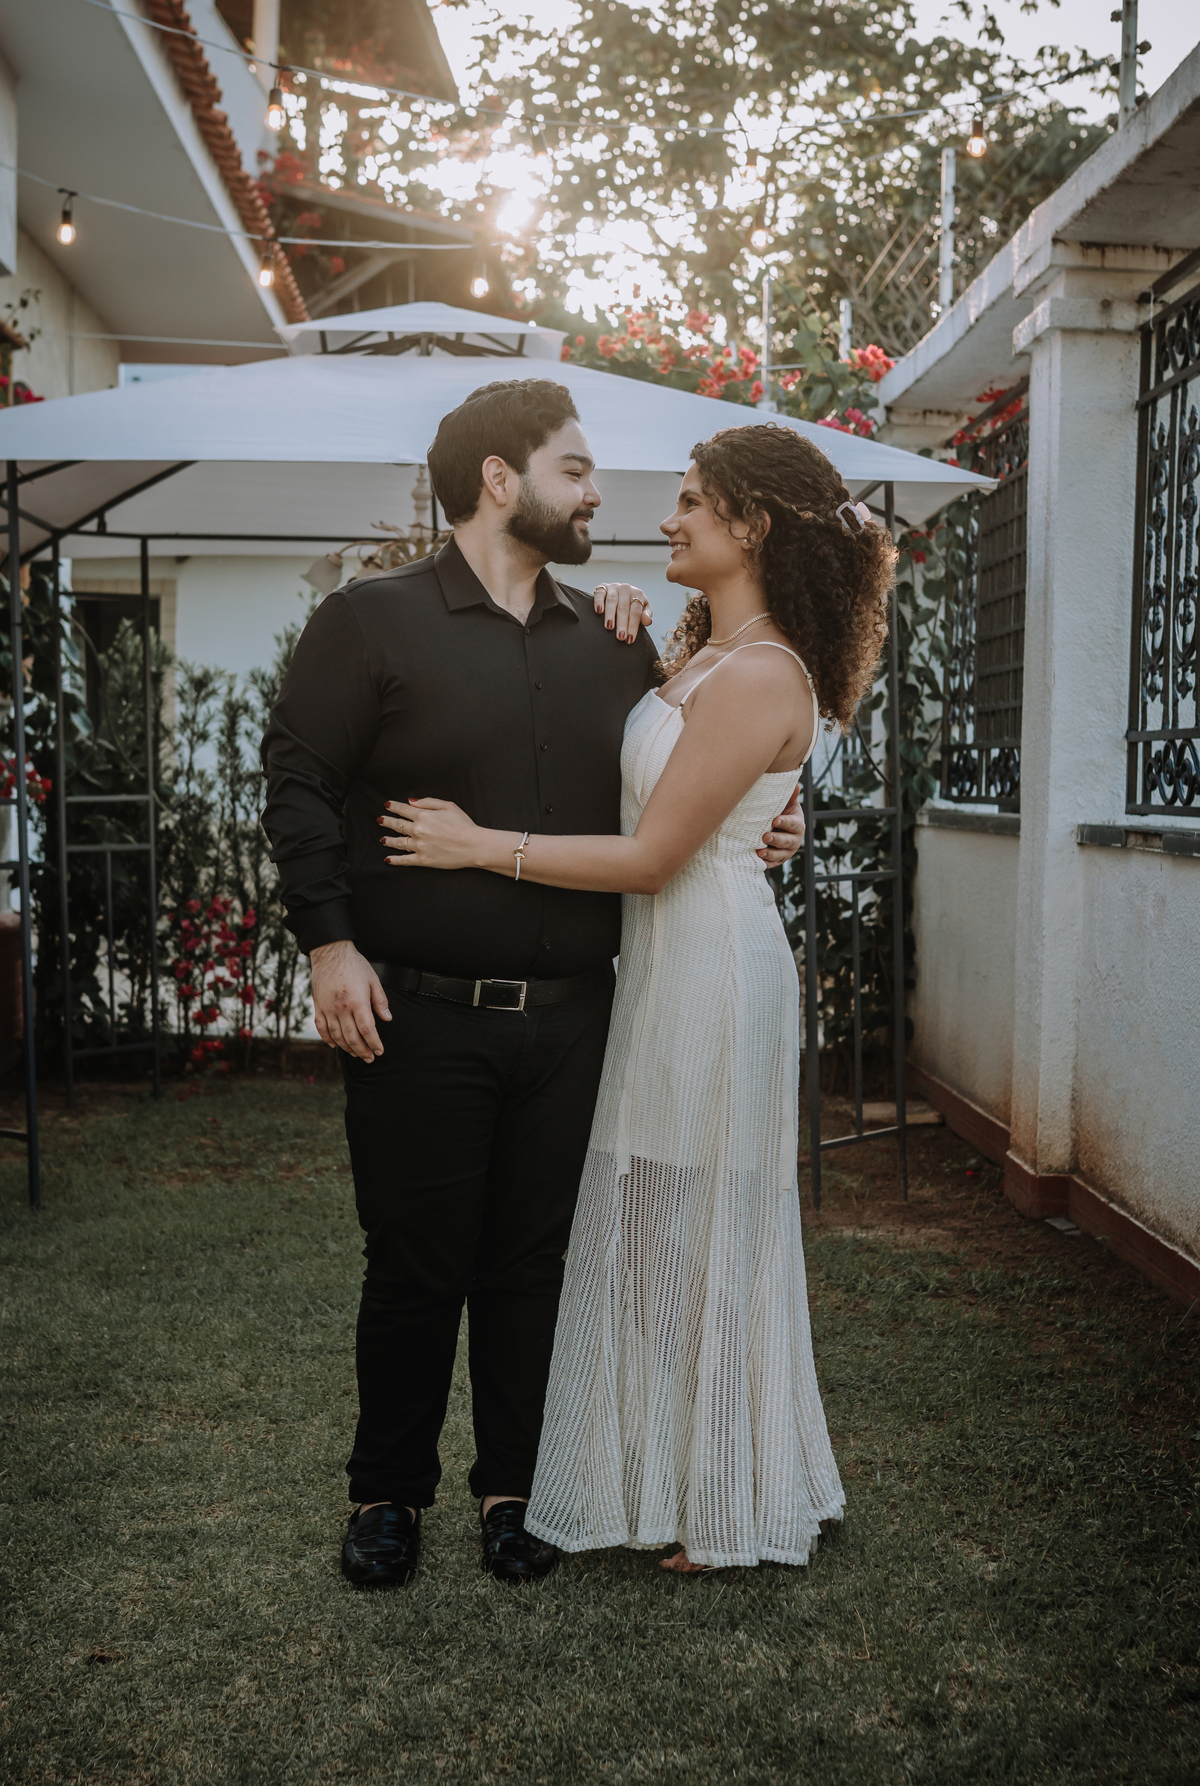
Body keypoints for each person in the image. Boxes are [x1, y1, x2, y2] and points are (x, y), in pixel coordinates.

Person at [260, 380, 805, 1590]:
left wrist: (779, 812)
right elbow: (298, 783)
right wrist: (329, 946)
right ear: (499, 480)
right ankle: (386, 1495)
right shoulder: (368, 621)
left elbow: (689, 771)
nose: (599, 495)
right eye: (575, 469)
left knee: (534, 1264)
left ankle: (514, 1490)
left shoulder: (614, 639)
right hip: (418, 1011)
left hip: (580, 1018)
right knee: (415, 1264)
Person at [378, 422, 895, 1572]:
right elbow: (673, 779)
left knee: (700, 1241)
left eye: (693, 501)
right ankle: (717, 1476)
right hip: (662, 968)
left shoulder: (760, 671)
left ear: (753, 525)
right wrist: (617, 618)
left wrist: (476, 845)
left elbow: (656, 856)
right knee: (665, 1242)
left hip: (711, 966)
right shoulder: (708, 653)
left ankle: (735, 1506)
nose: (668, 516)